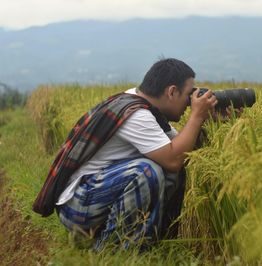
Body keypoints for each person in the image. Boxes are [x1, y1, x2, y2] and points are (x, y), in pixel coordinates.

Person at [32, 58, 218, 251]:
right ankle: (111, 253)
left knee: (167, 170)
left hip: (92, 198)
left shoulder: (139, 103)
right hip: (77, 207)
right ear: (171, 92)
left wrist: (211, 121)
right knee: (146, 171)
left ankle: (147, 246)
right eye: (189, 95)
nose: (189, 104)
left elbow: (182, 150)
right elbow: (173, 160)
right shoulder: (138, 115)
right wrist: (196, 116)